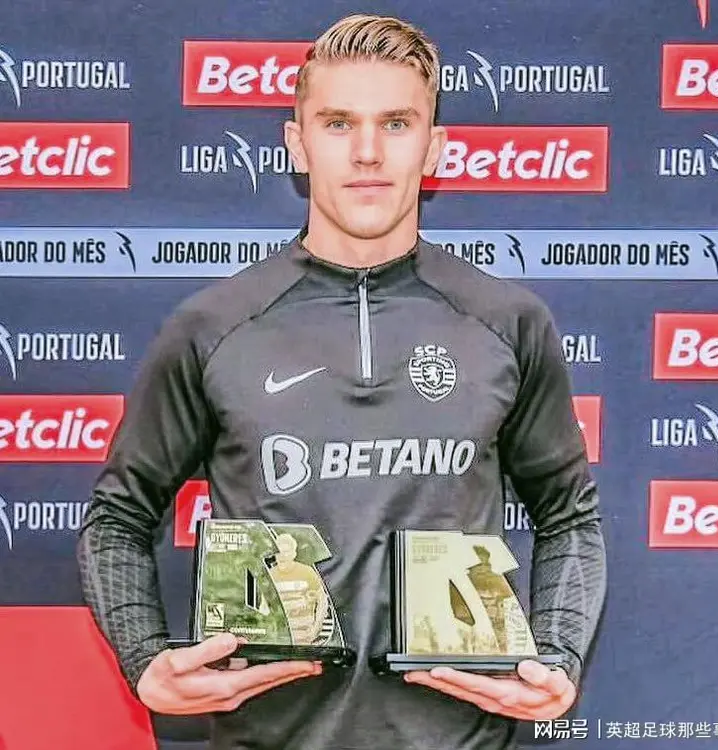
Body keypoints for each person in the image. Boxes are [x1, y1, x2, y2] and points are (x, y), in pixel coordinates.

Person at [77, 13, 606, 749]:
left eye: (396, 123)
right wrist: (144, 660)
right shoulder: (212, 326)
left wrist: (558, 656)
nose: (366, 152)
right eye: (336, 123)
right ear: (297, 144)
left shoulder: (508, 322)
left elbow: (570, 516)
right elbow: (116, 519)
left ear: (434, 147)